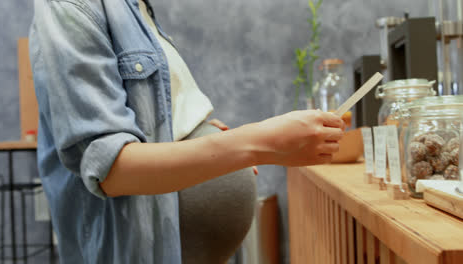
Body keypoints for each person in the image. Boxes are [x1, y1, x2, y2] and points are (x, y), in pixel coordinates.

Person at [29, 0, 345, 263]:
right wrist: (257, 143)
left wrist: (204, 134)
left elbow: (156, 119)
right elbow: (112, 169)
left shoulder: (137, 9)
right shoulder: (71, 6)